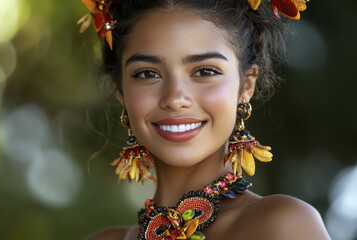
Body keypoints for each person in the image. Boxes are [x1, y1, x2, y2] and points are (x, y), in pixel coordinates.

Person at [79, 0, 331, 239]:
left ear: (247, 85)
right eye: (147, 73)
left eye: (205, 71)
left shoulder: (281, 225)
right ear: (121, 91)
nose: (175, 98)